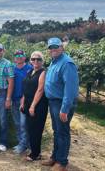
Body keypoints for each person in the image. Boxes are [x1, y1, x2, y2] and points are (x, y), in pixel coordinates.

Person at [41, 38, 79, 171]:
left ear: (61, 47)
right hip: (53, 102)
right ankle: (55, 157)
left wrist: (65, 108)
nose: (52, 49)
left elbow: (70, 87)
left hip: (61, 103)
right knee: (56, 131)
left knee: (62, 132)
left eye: (55, 46)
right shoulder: (54, 62)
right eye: (50, 47)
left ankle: (62, 163)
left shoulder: (67, 63)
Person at [20, 51, 48, 161]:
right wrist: (23, 101)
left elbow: (40, 90)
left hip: (38, 103)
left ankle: (35, 154)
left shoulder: (43, 72)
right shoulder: (29, 71)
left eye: (38, 59)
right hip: (28, 101)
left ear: (42, 61)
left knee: (35, 128)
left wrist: (32, 106)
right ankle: (36, 151)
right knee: (30, 127)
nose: (35, 61)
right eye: (33, 59)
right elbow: (26, 87)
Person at [11, 49, 33, 154]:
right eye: (16, 55)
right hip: (13, 99)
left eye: (21, 55)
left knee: (24, 123)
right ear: (14, 57)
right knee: (17, 123)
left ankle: (24, 145)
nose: (19, 57)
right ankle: (21, 142)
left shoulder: (30, 69)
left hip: (23, 101)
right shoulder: (11, 67)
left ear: (24, 57)